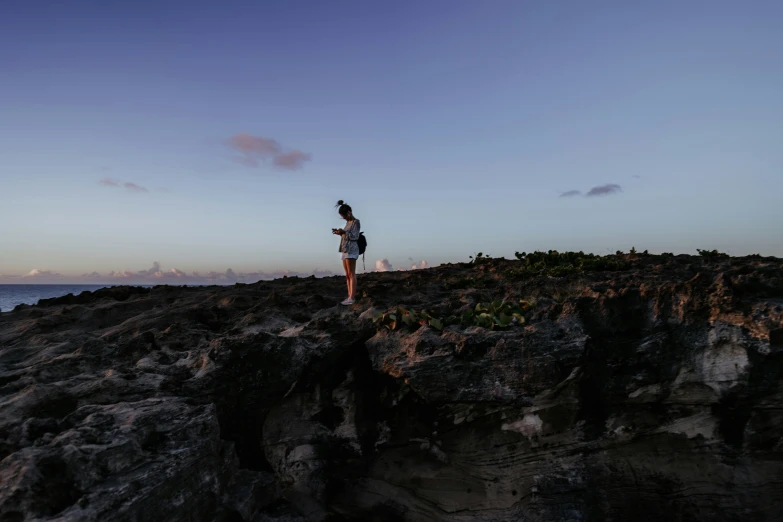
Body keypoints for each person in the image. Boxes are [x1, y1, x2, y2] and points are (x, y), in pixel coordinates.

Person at [332, 200, 360, 305]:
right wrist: (339, 233)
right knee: (347, 274)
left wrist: (344, 232)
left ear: (349, 212)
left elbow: (355, 236)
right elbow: (347, 235)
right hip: (344, 249)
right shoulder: (348, 223)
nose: (343, 218)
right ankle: (349, 296)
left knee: (351, 273)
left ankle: (352, 298)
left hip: (351, 249)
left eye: (344, 216)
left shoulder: (356, 222)